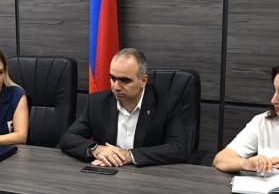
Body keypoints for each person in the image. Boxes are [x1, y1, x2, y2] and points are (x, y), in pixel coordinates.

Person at [59, 48, 188, 167]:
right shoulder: (97, 102)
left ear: (143, 81)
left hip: (149, 176)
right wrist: (96, 149)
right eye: (112, 78)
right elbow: (68, 138)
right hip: (106, 173)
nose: (116, 87)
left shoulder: (166, 104)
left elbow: (179, 148)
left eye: (125, 80)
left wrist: (130, 155)